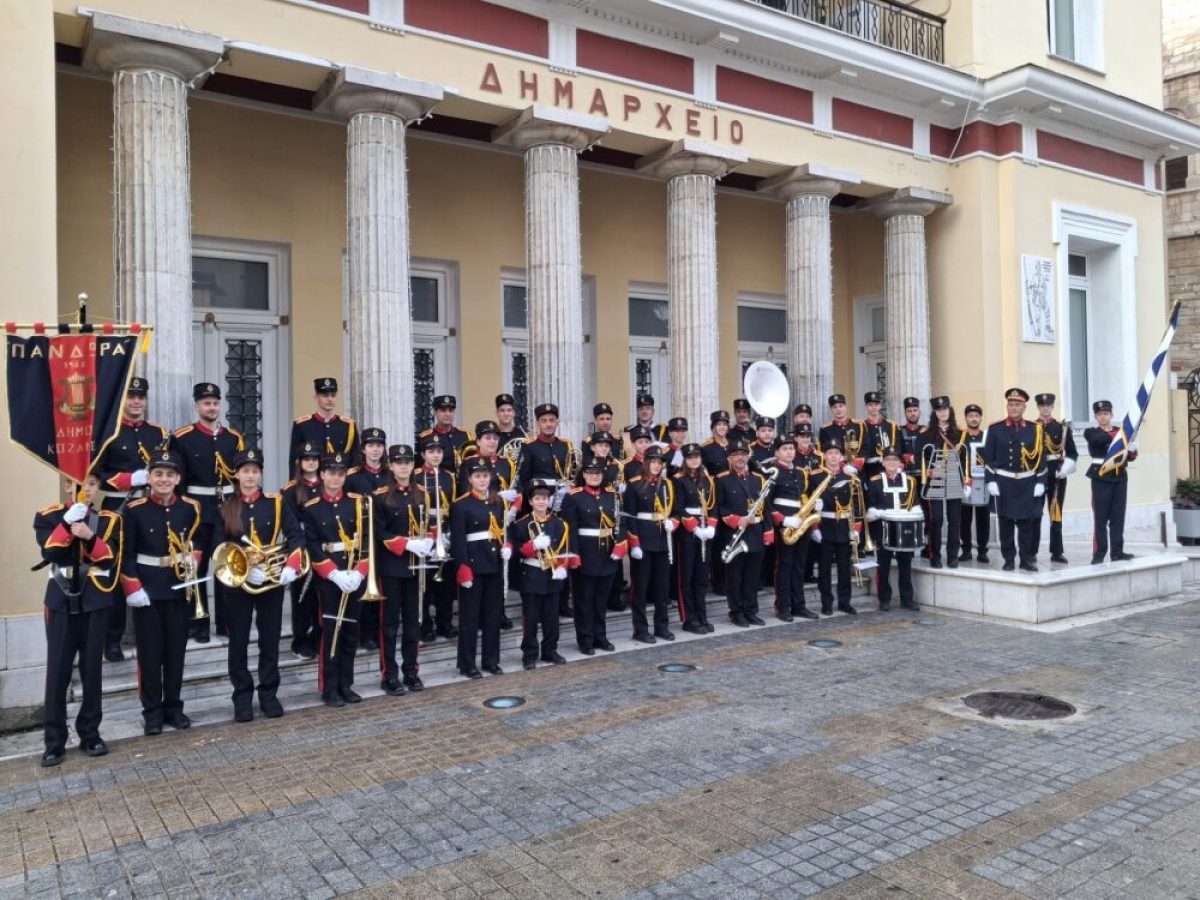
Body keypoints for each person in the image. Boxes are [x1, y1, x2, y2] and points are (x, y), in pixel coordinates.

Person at [35, 474, 121, 766]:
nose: (87, 489)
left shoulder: (108, 520)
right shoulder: (47, 516)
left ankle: (90, 734)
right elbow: (49, 550)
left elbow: (109, 558)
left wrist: (89, 536)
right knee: (57, 671)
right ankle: (54, 741)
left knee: (91, 670)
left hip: (94, 599)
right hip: (60, 599)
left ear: (98, 489)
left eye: (93, 484)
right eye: (79, 483)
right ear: (68, 486)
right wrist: (66, 526)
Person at [214, 449, 304, 721]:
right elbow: (218, 546)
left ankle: (268, 695)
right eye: (245, 471)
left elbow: (296, 536)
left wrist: (291, 565)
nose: (250, 476)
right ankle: (242, 698)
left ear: (260, 473)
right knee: (238, 642)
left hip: (271, 582)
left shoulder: (275, 502)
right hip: (238, 585)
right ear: (237, 474)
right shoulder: (225, 506)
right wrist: (243, 571)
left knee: (270, 640)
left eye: (254, 471)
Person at [120, 450, 202, 734]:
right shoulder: (134, 510)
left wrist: (194, 559)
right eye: (158, 474)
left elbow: (198, 541)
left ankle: (174, 708)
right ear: (149, 477)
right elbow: (126, 553)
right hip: (147, 590)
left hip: (179, 589)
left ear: (178, 478)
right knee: (150, 655)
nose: (164, 479)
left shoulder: (190, 507)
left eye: (169, 474)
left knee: (176, 653)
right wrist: (132, 587)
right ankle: (152, 712)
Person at [93, 375, 168, 662]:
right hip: (119, 509)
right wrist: (129, 478)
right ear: (124, 400)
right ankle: (113, 638)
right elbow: (96, 476)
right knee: (116, 570)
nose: (136, 402)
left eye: (140, 397)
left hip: (152, 507)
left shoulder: (158, 433)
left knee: (151, 567)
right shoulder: (109, 433)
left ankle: (151, 631)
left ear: (146, 401)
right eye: (131, 397)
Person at [170, 382, 244, 643]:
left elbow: (240, 477)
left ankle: (226, 623)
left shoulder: (233, 438)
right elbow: (177, 479)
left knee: (227, 564)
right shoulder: (182, 437)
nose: (211, 407)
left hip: (226, 508)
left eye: (215, 403)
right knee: (196, 566)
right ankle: (198, 623)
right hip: (196, 509)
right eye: (206, 403)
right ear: (196, 406)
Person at [302, 452, 370, 708]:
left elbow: (366, 541)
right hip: (330, 577)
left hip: (354, 574)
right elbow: (312, 544)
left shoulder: (357, 503)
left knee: (351, 632)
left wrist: (360, 571)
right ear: (322, 475)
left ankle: (346, 684)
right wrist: (332, 572)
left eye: (340, 474)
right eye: (331, 473)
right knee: (331, 632)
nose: (335, 478)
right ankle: (329, 687)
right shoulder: (311, 508)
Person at [373, 444, 432, 695]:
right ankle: (389, 674)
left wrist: (428, 540)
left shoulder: (422, 493)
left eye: (407, 462)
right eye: (399, 462)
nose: (404, 467)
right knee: (389, 625)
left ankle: (411, 671)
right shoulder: (380, 496)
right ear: (391, 466)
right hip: (392, 566)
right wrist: (407, 543)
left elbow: (429, 523)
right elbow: (378, 532)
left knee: (412, 622)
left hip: (416, 567)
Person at [450, 457, 509, 678]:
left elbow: (503, 530)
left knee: (493, 616)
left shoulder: (498, 502)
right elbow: (458, 541)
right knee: (470, 618)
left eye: (485, 475)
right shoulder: (460, 504)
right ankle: (467, 663)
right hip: (473, 565)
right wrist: (462, 568)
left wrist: (507, 546)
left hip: (493, 564)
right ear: (470, 478)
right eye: (478, 476)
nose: (482, 480)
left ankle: (490, 660)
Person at [561, 457, 626, 653]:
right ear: (583, 474)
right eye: (590, 473)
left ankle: (601, 636)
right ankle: (585, 640)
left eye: (598, 473)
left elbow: (622, 523)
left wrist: (620, 545)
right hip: (585, 553)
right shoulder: (573, 497)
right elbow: (569, 528)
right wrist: (573, 554)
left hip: (607, 553)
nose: (594, 476)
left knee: (601, 601)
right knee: (584, 601)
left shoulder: (613, 496)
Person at [509, 481, 574, 669]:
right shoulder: (521, 525)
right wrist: (533, 546)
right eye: (537, 498)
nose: (541, 502)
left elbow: (564, 548)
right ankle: (529, 653)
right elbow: (517, 551)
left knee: (552, 617)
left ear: (549, 500)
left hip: (552, 574)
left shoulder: (559, 524)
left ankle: (550, 650)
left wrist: (563, 566)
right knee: (530, 617)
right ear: (530, 501)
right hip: (531, 573)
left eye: (544, 498)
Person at [983, 388, 1047, 572]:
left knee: (1027, 525)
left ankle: (1027, 559)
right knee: (1006, 524)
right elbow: (988, 456)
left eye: (1017, 404)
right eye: (1010, 404)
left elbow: (1041, 457)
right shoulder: (996, 428)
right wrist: (991, 480)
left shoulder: (1036, 429)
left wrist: (1041, 481)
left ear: (1024, 407)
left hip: (1027, 482)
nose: (1013, 408)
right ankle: (1008, 559)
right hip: (1004, 482)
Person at [717, 439, 772, 627]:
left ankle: (750, 610)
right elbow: (719, 507)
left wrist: (768, 531)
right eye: (735, 455)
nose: (740, 458)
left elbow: (766, 508)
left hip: (756, 531)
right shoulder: (722, 479)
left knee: (753, 576)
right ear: (729, 458)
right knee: (735, 575)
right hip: (735, 534)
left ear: (748, 456)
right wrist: (734, 520)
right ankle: (736, 611)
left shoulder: (759, 479)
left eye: (743, 454)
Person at [624, 446, 676, 642]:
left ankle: (661, 626)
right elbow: (629, 517)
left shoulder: (668, 485)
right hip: (643, 541)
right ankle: (640, 629)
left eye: (659, 463)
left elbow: (676, 510)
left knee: (662, 588)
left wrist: (674, 522)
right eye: (653, 462)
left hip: (663, 540)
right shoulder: (634, 485)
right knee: (641, 589)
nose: (656, 466)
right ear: (646, 463)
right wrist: (634, 543)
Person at [768, 433, 819, 621]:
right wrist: (782, 520)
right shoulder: (772, 471)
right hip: (786, 525)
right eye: (785, 449)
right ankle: (783, 607)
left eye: (791, 448)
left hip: (801, 523)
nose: (789, 452)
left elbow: (804, 497)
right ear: (777, 452)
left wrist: (814, 509)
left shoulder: (800, 472)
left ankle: (799, 605)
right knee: (784, 566)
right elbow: (767, 503)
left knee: (799, 566)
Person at [347, 427, 389, 651]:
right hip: (362, 539)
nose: (375, 450)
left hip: (386, 539)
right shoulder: (352, 477)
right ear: (363, 449)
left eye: (379, 446)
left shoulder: (390, 474)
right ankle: (366, 633)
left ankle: (382, 631)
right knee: (361, 587)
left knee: (384, 585)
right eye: (371, 446)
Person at [282, 441, 323, 659]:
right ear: (300, 462)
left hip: (323, 549)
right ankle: (300, 640)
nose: (311, 463)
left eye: (314, 459)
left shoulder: (328, 484)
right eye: (307, 459)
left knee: (320, 596)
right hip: (302, 550)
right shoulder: (290, 489)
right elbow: (289, 522)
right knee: (302, 597)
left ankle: (318, 636)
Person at [866, 447, 920, 611]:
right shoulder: (875, 481)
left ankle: (907, 599)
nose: (892, 463)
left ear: (900, 463)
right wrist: (876, 512)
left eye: (895, 460)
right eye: (888, 460)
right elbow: (870, 505)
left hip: (905, 528)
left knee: (905, 565)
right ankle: (884, 599)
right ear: (883, 462)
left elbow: (915, 503)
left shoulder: (910, 481)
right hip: (883, 528)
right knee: (883, 565)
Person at [917, 396, 968, 569]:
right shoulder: (926, 434)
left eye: (945, 409)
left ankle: (953, 556)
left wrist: (966, 481)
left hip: (954, 476)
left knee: (954, 520)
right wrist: (928, 470)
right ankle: (935, 555)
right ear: (935, 413)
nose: (943, 412)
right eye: (939, 410)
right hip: (936, 478)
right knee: (936, 519)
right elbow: (919, 458)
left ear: (950, 410)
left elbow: (966, 458)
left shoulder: (961, 434)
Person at [416, 434, 458, 642]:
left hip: (445, 530)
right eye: (431, 451)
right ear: (423, 454)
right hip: (424, 531)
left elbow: (454, 504)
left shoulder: (449, 476)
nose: (435, 455)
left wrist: (450, 532)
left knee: (446, 583)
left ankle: (445, 622)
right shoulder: (416, 476)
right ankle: (425, 625)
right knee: (425, 583)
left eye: (439, 451)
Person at [1085, 400, 1137, 564]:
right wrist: (1122, 437)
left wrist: (1132, 449)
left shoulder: (1120, 432)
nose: (1103, 417)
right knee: (1100, 518)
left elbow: (1128, 456)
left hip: (1120, 478)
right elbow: (1098, 441)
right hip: (1101, 478)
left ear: (1111, 415)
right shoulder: (1091, 432)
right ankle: (1099, 554)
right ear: (1095, 416)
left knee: (1118, 517)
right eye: (1099, 414)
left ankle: (1117, 552)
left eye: (1106, 414)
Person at [815, 439, 863, 616]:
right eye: (830, 453)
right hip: (824, 526)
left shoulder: (850, 478)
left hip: (844, 526)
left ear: (841, 456)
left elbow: (858, 506)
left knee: (844, 568)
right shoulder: (816, 476)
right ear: (824, 455)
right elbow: (808, 500)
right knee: (824, 569)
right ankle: (826, 603)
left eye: (836, 453)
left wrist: (856, 530)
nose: (833, 456)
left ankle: (845, 602)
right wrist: (814, 529)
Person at [671, 444, 716, 633]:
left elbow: (714, 505)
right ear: (684, 459)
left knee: (701, 577)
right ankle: (689, 618)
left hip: (705, 529)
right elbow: (678, 508)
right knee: (686, 577)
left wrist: (711, 526)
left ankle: (701, 615)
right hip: (688, 532)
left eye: (697, 457)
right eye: (690, 457)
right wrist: (694, 527)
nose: (694, 460)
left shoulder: (708, 480)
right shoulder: (678, 480)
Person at [1034, 393, 1078, 564]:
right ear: (1038, 407)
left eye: (1048, 405)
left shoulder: (1061, 428)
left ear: (1052, 407)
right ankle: (1031, 551)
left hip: (1056, 473)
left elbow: (1072, 452)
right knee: (1034, 514)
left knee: (1056, 512)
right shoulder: (1032, 427)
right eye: (1042, 405)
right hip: (1037, 473)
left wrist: (1066, 467)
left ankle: (1057, 551)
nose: (1045, 408)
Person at [290, 376, 359, 462]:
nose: (330, 399)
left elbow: (355, 459)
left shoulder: (348, 426)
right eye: (325, 396)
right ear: (316, 398)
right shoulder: (302, 426)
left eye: (333, 395)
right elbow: (295, 460)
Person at [519, 403, 576, 505]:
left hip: (564, 501)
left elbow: (573, 475)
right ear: (538, 423)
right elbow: (524, 480)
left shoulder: (566, 445)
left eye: (552, 420)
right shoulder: (529, 446)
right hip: (539, 502)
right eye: (544, 421)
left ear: (557, 422)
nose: (548, 424)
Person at [959, 404, 991, 563]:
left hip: (983, 482)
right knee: (964, 518)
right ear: (966, 418)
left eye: (976, 416)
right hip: (964, 482)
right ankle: (965, 550)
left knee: (983, 518)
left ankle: (982, 551)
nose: (973, 419)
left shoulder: (987, 436)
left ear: (980, 418)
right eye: (970, 416)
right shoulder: (960, 437)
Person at [417, 394, 472, 472]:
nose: (447, 414)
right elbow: (420, 468)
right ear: (435, 412)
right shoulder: (426, 437)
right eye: (443, 410)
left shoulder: (464, 435)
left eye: (451, 410)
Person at [818, 394, 866, 474]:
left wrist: (854, 466)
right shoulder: (825, 429)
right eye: (835, 407)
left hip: (857, 469)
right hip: (835, 470)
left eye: (841, 406)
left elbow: (866, 448)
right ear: (831, 410)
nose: (838, 409)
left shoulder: (859, 425)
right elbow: (823, 451)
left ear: (845, 407)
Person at [860, 391, 899, 485]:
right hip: (869, 469)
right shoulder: (861, 426)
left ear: (880, 405)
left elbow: (897, 446)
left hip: (889, 467)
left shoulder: (891, 425)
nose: (874, 407)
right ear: (866, 406)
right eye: (870, 404)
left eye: (876, 404)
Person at [897, 397, 924, 478]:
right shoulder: (898, 431)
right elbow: (896, 451)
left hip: (924, 474)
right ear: (905, 413)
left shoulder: (926, 431)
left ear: (919, 412)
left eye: (915, 410)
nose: (912, 413)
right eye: (909, 411)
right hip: (905, 475)